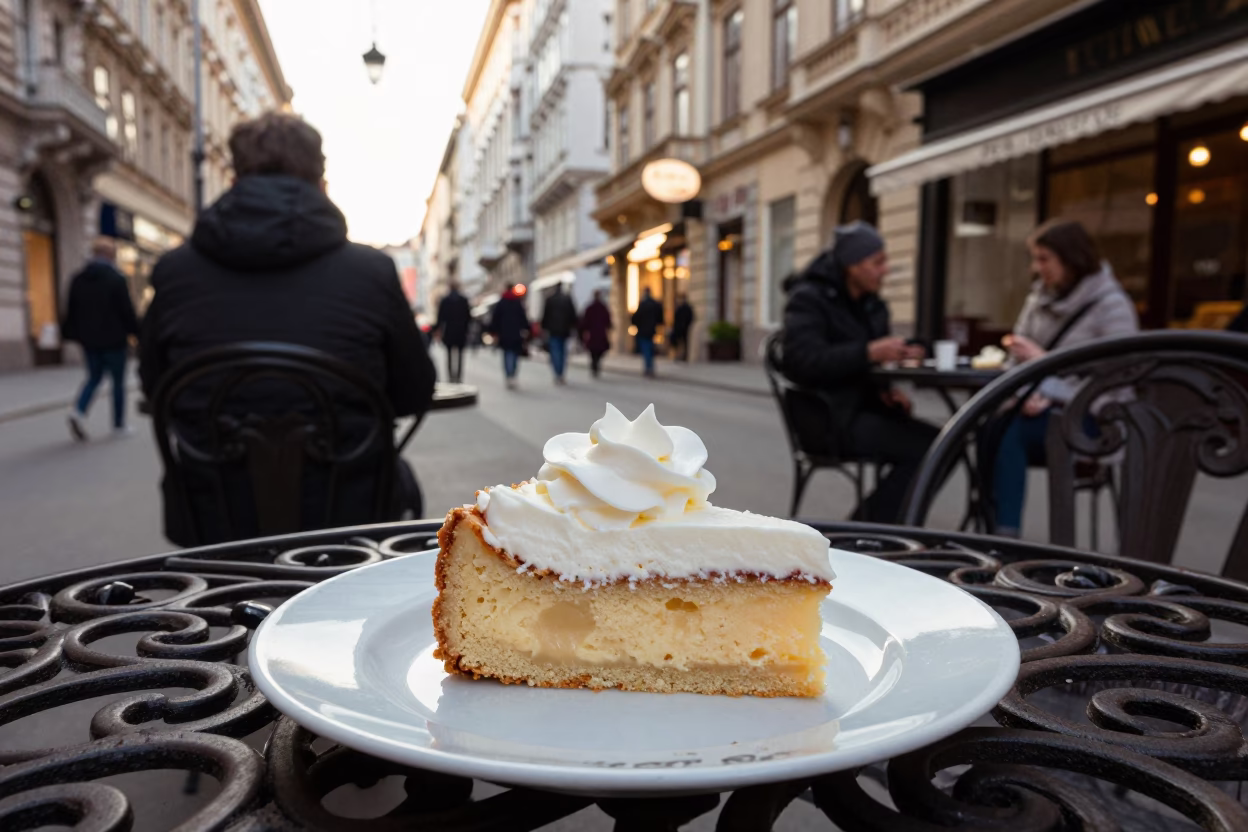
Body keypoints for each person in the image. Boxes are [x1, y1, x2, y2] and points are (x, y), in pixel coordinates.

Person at [139, 112, 435, 545]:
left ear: (234, 179)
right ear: (321, 182)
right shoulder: (371, 270)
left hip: (218, 518)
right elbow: (414, 391)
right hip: (348, 515)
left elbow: (155, 386)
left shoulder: (174, 271)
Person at [989, 219, 1139, 537]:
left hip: (1094, 421)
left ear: (1071, 258)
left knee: (1009, 433)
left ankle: (1004, 538)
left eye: (1044, 259)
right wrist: (1024, 394)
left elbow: (1117, 383)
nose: (1036, 267)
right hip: (1038, 411)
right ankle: (991, 531)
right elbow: (1018, 358)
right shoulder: (1038, 299)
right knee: (991, 429)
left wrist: (1047, 378)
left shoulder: (1112, 307)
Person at [782, 221, 935, 523]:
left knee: (943, 443)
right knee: (933, 448)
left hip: (863, 410)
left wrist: (888, 388)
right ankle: (871, 530)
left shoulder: (872, 305)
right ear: (852, 265)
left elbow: (868, 366)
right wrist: (869, 352)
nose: (885, 270)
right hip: (826, 418)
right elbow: (803, 362)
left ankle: (878, 526)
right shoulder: (809, 299)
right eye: (877, 262)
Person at [62, 238, 140, 441]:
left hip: (89, 339)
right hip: (114, 339)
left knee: (94, 377)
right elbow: (126, 311)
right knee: (117, 382)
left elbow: (71, 309)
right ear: (111, 255)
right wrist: (137, 333)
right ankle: (118, 424)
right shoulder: (116, 279)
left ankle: (78, 411)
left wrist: (72, 333)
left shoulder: (78, 279)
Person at [489, 286, 530, 389]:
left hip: (504, 334)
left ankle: (509, 375)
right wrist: (527, 329)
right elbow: (523, 317)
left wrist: (494, 331)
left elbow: (495, 319)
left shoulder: (501, 303)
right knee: (515, 355)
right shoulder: (517, 302)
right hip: (516, 333)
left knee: (507, 355)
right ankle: (513, 374)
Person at [540, 283, 577, 385]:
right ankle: (561, 372)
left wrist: (544, 327)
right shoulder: (566, 299)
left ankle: (557, 373)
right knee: (562, 352)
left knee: (555, 352)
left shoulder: (550, 299)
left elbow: (545, 315)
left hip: (553, 330)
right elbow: (573, 315)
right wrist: (572, 326)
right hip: (564, 329)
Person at [435, 282, 471, 383]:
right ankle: (458, 376)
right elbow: (468, 317)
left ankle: (451, 375)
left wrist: (438, 329)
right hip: (461, 331)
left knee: (449, 355)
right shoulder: (463, 300)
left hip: (449, 331)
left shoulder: (445, 300)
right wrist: (466, 328)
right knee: (460, 355)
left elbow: (440, 317)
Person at [631, 288, 663, 378]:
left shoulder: (643, 305)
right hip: (651, 330)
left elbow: (636, 318)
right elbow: (660, 318)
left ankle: (648, 367)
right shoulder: (654, 304)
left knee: (646, 350)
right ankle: (650, 367)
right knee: (649, 348)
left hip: (643, 331)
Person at [581, 290, 613, 377]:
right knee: (598, 350)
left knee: (594, 351)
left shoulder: (590, 308)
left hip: (593, 333)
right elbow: (608, 320)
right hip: (599, 333)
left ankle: (594, 364)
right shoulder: (602, 307)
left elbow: (584, 321)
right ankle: (595, 363)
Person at [671, 294, 694, 361]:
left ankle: (684, 356)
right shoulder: (679, 308)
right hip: (678, 329)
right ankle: (678, 356)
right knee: (678, 343)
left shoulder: (686, 308)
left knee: (684, 343)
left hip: (684, 329)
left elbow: (690, 318)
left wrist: (685, 325)